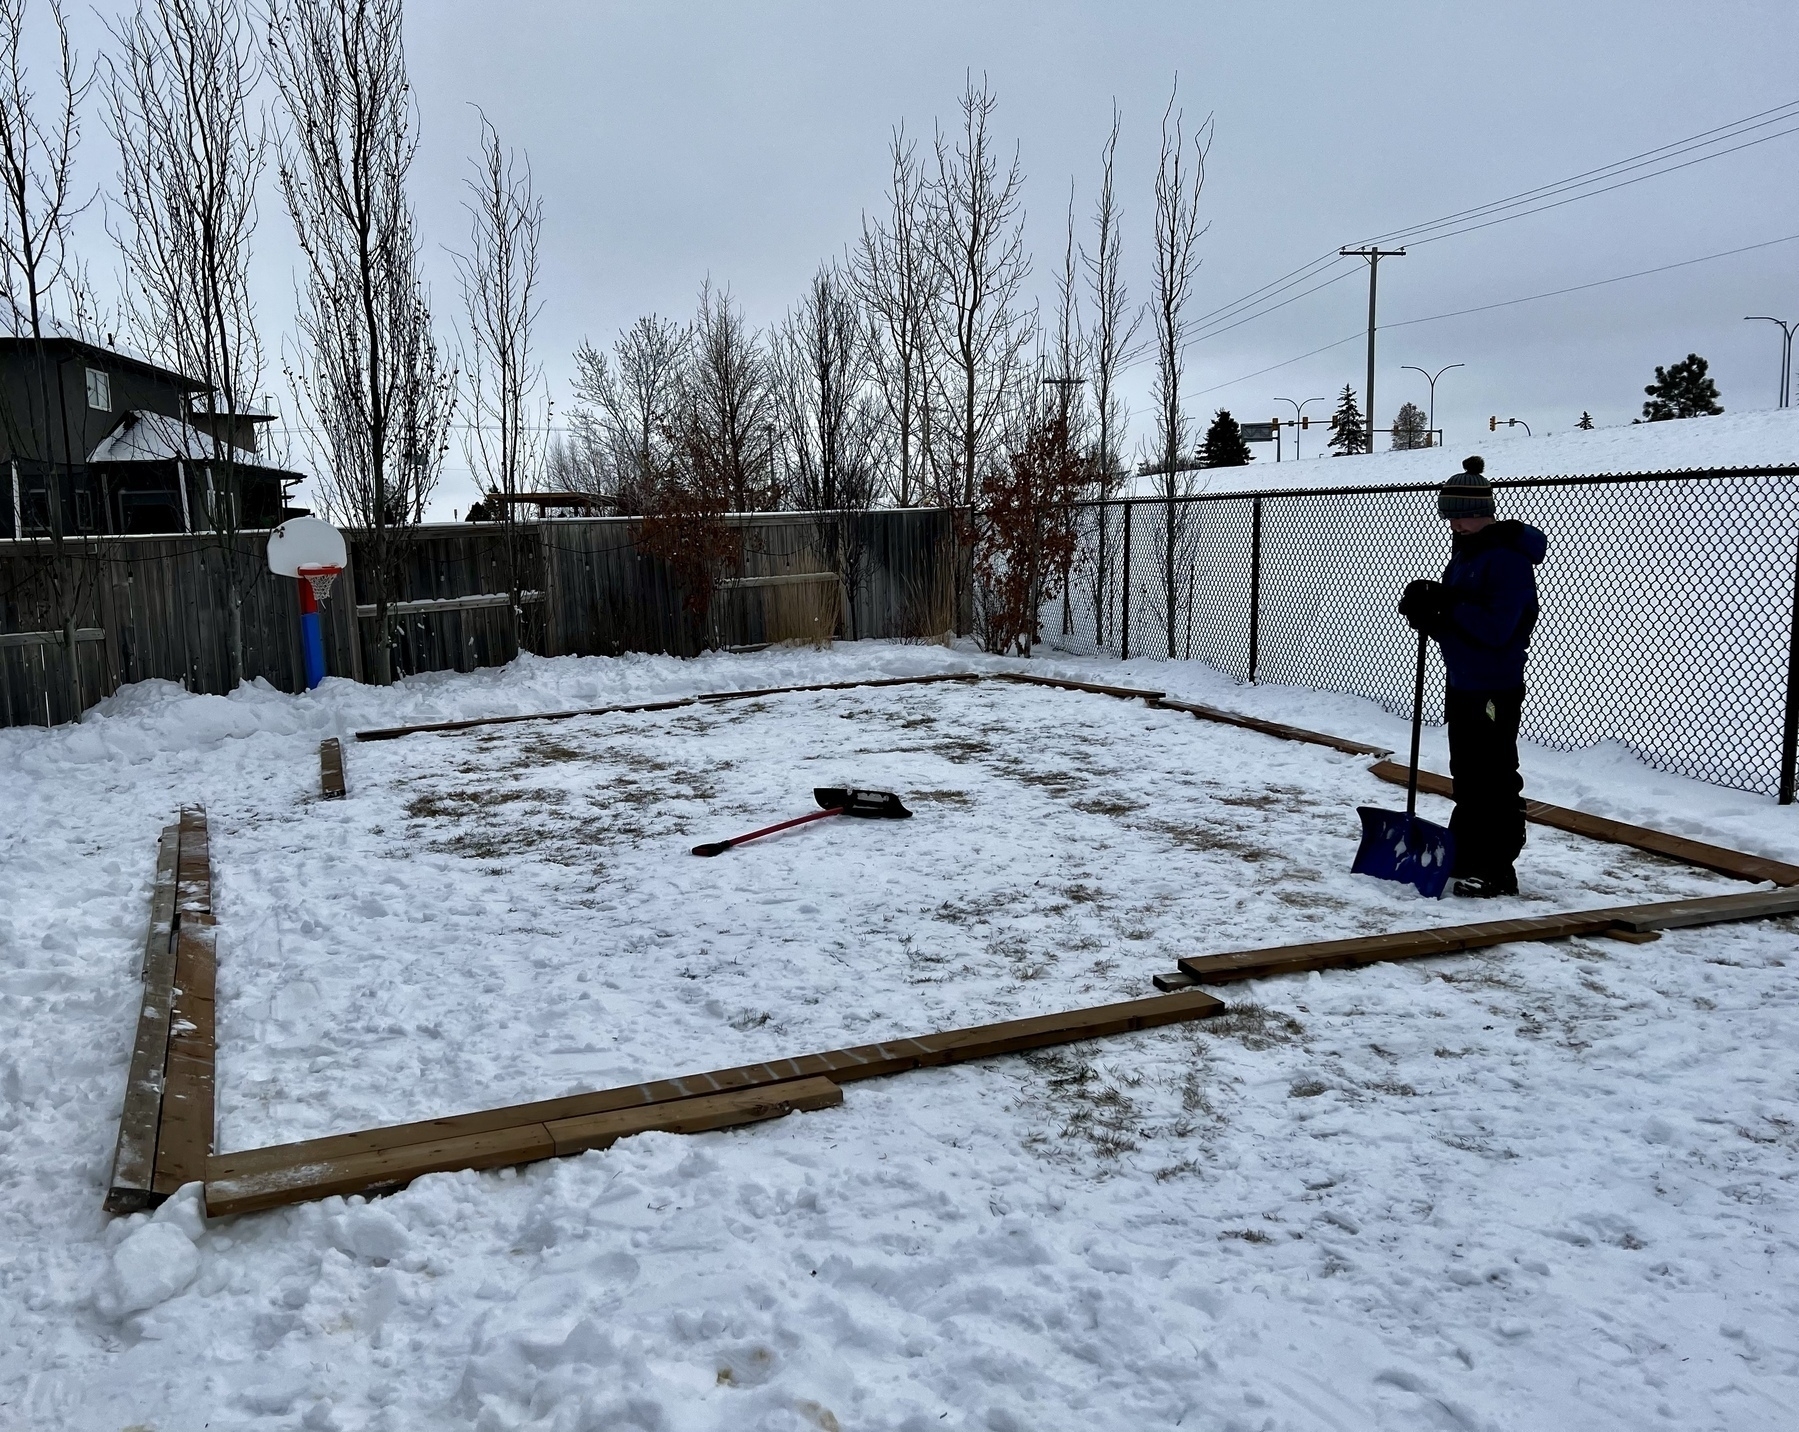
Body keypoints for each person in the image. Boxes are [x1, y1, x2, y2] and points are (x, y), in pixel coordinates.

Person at [1396, 456, 1547, 897]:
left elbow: (1498, 630)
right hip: (1463, 679)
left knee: (1494, 775)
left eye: (1463, 518)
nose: (1456, 526)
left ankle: (1498, 866)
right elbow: (1458, 616)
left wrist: (1447, 605)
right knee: (1467, 771)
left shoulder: (1507, 560)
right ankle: (1467, 850)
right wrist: (1429, 615)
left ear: (1485, 513)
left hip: (1493, 684)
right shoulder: (1467, 553)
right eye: (1451, 518)